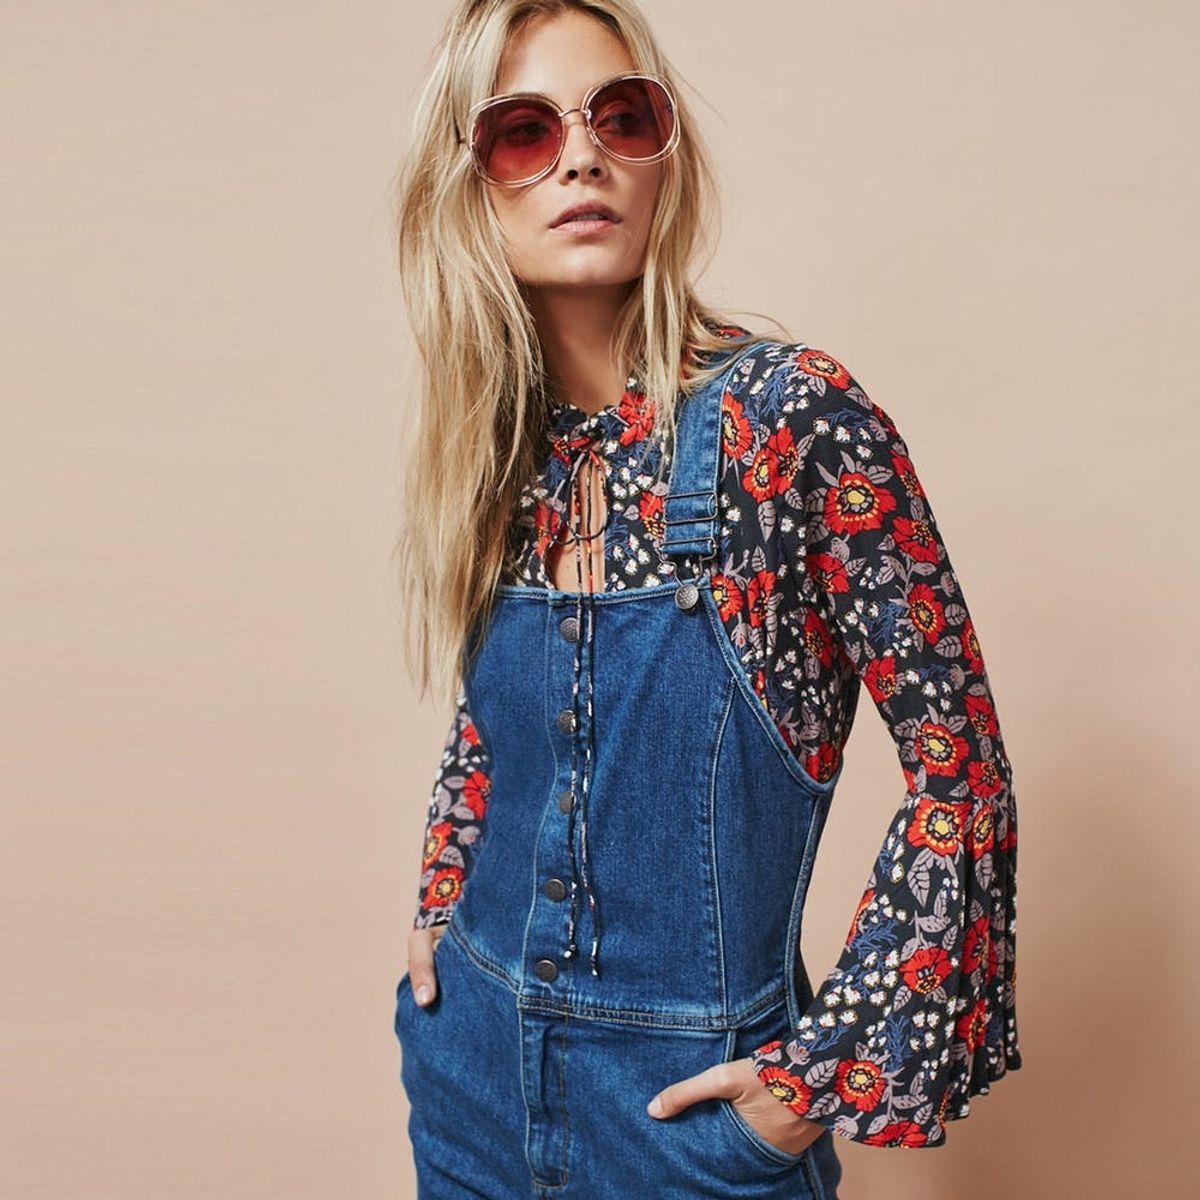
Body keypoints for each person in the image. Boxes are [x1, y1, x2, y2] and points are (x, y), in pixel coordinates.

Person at [391, 2, 1021, 1195]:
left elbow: (963, 773)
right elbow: (501, 734)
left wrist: (812, 1082)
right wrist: (439, 905)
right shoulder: (498, 450)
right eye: (526, 131)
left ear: (664, 158)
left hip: (687, 1122)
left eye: (621, 118)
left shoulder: (790, 418)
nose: (583, 158)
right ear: (465, 183)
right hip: (470, 1078)